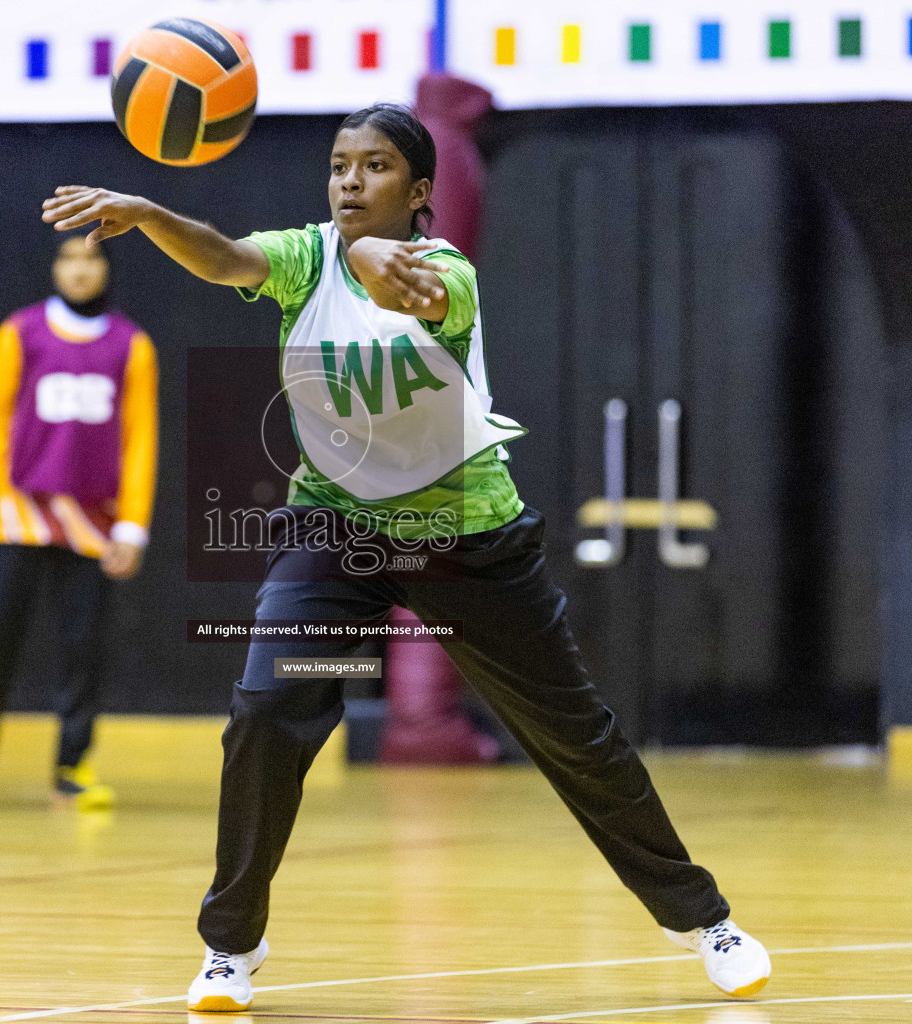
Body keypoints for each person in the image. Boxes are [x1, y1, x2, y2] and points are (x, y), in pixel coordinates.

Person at [40, 103, 772, 1011]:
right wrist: (152, 216)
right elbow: (228, 257)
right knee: (267, 708)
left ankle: (702, 919)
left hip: (464, 540)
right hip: (336, 534)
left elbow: (401, 288)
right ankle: (232, 943)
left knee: (575, 739)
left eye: (376, 166)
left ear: (420, 191)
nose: (350, 180)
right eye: (341, 164)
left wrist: (365, 259)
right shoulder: (308, 256)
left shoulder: (446, 272)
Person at [0, 234, 157, 810]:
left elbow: (140, 438)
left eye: (91, 258)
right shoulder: (21, 332)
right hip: (18, 509)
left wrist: (133, 525)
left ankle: (74, 764)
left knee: (82, 644)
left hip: (94, 519)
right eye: (69, 257)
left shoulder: (131, 345)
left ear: (107, 269)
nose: (79, 269)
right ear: (54, 267)